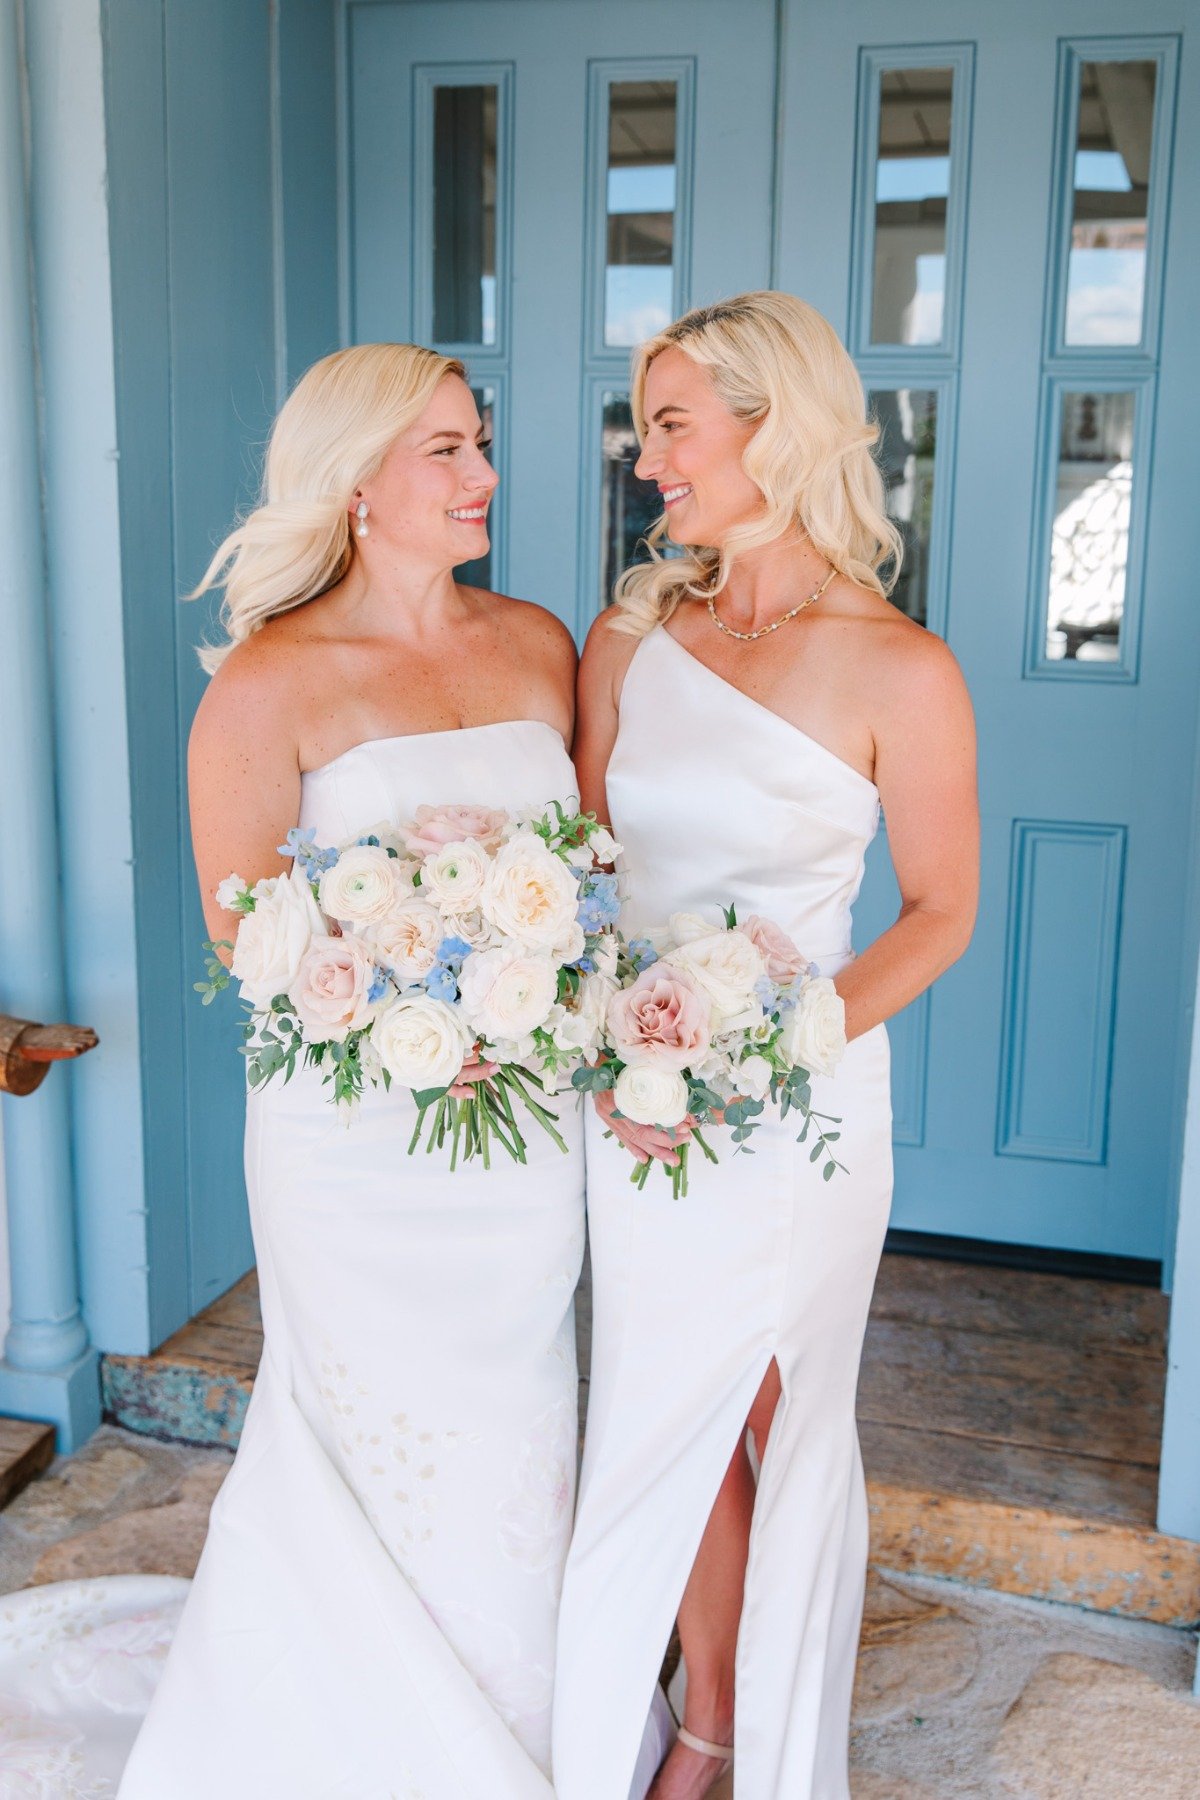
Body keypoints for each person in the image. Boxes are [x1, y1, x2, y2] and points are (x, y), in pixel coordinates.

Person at [119, 343, 586, 1798]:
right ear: (357, 483)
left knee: (517, 1425)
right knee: (369, 1425)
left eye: (479, 442)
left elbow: (586, 880)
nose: (483, 475)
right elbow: (246, 938)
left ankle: (517, 1721)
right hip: (354, 1147)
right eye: (444, 449)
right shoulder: (270, 684)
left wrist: (517, 995)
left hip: (526, 1131)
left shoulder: (540, 644)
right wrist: (402, 991)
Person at [553, 292, 979, 1800]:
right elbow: (589, 867)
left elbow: (939, 911)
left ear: (770, 427)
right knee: (666, 1405)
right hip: (643, 1095)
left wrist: (778, 1041)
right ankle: (710, 1716)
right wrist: (616, 1037)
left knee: (777, 1411)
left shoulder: (901, 670)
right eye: (649, 421)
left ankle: (772, 1736)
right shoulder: (630, 638)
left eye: (672, 422)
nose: (647, 453)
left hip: (801, 1109)